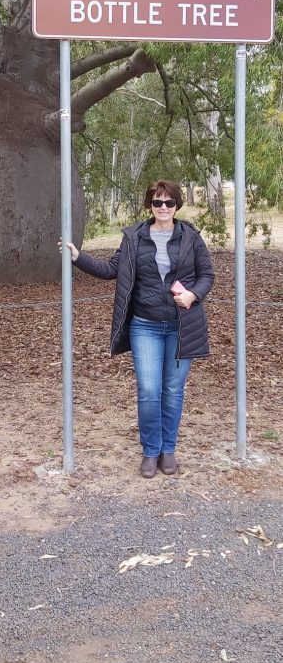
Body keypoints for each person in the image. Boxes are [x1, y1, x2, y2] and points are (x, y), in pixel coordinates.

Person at [61, 179, 214, 479]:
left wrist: (193, 295)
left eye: (169, 202)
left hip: (182, 326)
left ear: (177, 205)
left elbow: (207, 274)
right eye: (158, 202)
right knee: (148, 390)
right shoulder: (134, 237)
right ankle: (150, 452)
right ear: (149, 205)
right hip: (145, 326)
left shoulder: (191, 237)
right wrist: (78, 257)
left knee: (172, 390)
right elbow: (111, 270)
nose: (164, 208)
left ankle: (168, 450)